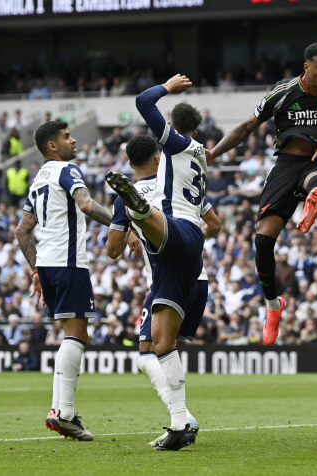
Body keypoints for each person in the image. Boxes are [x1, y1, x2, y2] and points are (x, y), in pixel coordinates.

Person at [209, 43, 317, 346]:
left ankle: (314, 202)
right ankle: (273, 306)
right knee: (262, 241)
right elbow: (245, 127)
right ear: (306, 66)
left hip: (315, 162)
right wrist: (215, 153)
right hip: (285, 165)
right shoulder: (281, 93)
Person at [105, 74, 210, 451]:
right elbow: (214, 222)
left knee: (156, 226)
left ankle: (137, 209)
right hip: (189, 253)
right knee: (162, 344)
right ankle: (180, 423)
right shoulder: (198, 155)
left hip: (173, 231)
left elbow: (143, 103)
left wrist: (167, 87)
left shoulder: (177, 146)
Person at [15, 120, 114, 441]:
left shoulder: (37, 179)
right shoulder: (67, 171)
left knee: (71, 334)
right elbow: (86, 204)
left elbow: (22, 230)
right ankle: (64, 413)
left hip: (47, 265)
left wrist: (35, 270)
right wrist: (125, 223)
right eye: (67, 137)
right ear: (53, 146)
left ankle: (61, 410)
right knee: (77, 334)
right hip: (69, 263)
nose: (73, 141)